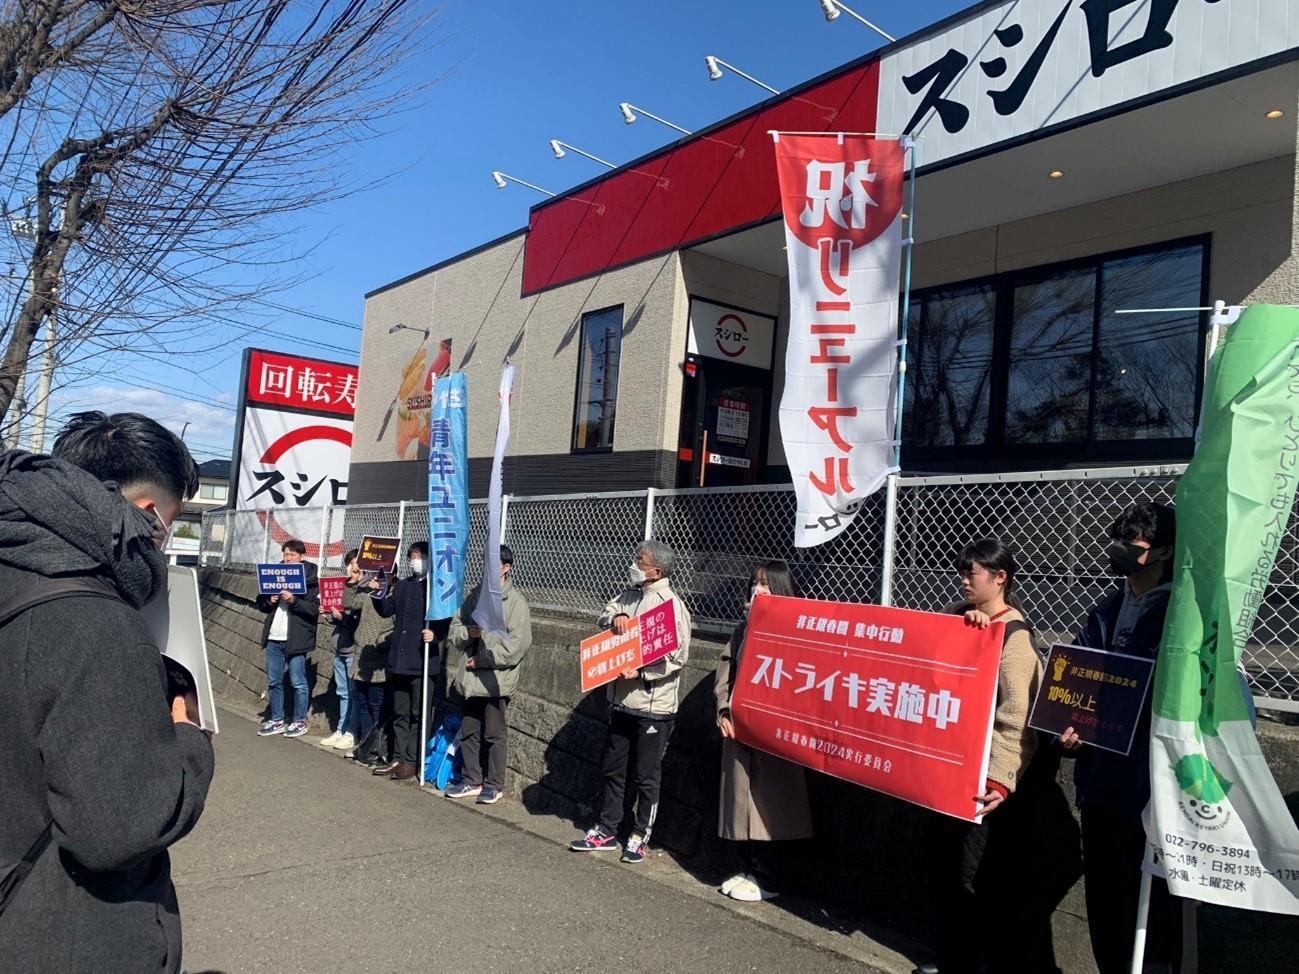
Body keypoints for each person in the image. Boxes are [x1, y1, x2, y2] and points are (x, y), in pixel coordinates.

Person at [0, 412, 213, 973]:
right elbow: (117, 829)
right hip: (58, 935)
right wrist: (189, 739)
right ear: (148, 517)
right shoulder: (95, 620)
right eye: (173, 523)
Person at [1061, 501, 1184, 974]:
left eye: (1132, 548)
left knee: (1149, 911)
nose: (1119, 554)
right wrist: (1067, 731)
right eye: (1117, 543)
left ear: (1164, 552)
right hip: (1099, 784)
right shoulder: (1106, 610)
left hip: (1149, 787)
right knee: (1105, 902)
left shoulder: (1182, 618)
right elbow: (1078, 686)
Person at [928, 538, 1050, 974]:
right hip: (952, 768)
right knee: (946, 866)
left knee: (973, 875)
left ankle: (969, 961)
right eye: (962, 572)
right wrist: (964, 625)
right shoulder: (970, 621)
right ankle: (950, 956)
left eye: (971, 573)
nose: (963, 580)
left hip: (982, 782)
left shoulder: (1015, 638)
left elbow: (1017, 717)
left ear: (1000, 578)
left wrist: (1000, 779)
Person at [571, 540, 692, 864]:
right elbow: (605, 614)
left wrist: (640, 673)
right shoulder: (629, 595)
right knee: (613, 769)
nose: (634, 563)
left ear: (657, 570)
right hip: (621, 702)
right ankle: (607, 829)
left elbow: (677, 657)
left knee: (646, 776)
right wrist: (617, 617)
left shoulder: (671, 606)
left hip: (653, 707)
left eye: (640, 560)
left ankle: (640, 835)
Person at [714, 560, 813, 902]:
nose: (758, 590)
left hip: (775, 737)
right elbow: (726, 670)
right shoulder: (742, 628)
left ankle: (768, 879)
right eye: (755, 583)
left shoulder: (796, 630)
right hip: (739, 730)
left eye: (767, 585)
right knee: (740, 803)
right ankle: (747, 869)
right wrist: (724, 711)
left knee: (769, 808)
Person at [444, 545, 534, 804]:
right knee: (469, 731)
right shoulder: (475, 596)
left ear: (506, 568)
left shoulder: (515, 603)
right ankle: (471, 780)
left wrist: (481, 660)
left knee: (495, 735)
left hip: (495, 682)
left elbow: (516, 646)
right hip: (471, 680)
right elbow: (456, 627)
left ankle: (494, 784)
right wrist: (467, 634)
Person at [374, 542, 443, 781]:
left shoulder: (437, 589)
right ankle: (399, 755)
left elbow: (448, 622)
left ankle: (413, 760)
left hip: (422, 662)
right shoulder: (402, 586)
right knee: (400, 712)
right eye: (412, 556)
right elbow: (386, 610)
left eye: (420, 556)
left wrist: (436, 635)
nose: (416, 560)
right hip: (399, 661)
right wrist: (378, 591)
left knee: (418, 714)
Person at [255, 539, 320, 738]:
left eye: (292, 555)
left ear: (302, 557)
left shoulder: (311, 581)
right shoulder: (275, 575)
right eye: (285, 554)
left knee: (298, 681)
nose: (287, 558)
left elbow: (314, 610)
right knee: (274, 681)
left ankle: (299, 721)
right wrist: (269, 599)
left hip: (297, 638)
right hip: (274, 636)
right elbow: (261, 603)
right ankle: (277, 720)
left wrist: (294, 601)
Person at [345, 563, 394, 767]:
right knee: (363, 703)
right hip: (361, 657)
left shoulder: (394, 598)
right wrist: (353, 581)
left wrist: (381, 642)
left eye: (385, 574)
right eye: (377, 574)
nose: (379, 578)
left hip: (379, 660)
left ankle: (376, 748)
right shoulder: (368, 594)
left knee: (377, 705)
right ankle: (364, 745)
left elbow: (395, 626)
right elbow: (349, 601)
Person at [322, 548, 361, 751]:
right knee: (343, 692)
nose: (351, 567)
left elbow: (358, 623)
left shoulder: (363, 591)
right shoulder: (342, 587)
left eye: (354, 563)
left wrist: (342, 618)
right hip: (339, 647)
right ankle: (341, 728)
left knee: (352, 693)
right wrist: (329, 614)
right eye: (349, 563)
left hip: (353, 650)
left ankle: (351, 732)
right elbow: (337, 618)